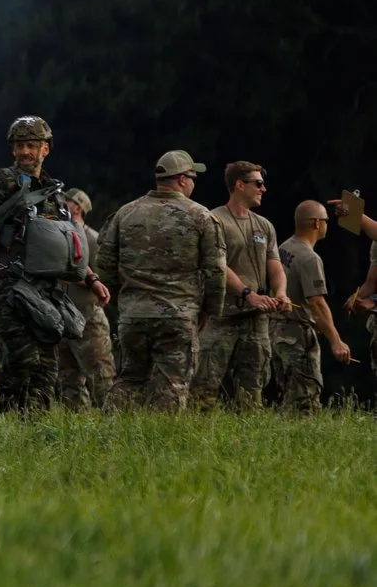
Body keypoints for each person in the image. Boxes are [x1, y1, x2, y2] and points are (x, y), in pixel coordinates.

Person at [0, 116, 89, 411]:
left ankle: (34, 433)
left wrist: (92, 279)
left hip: (45, 291)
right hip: (7, 287)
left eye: (31, 145)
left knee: (47, 369)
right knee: (22, 360)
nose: (24, 151)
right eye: (19, 146)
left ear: (45, 149)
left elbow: (65, 247)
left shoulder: (55, 193)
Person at [96, 150, 225, 411]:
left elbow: (105, 263)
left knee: (129, 378)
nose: (193, 183)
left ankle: (109, 433)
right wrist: (211, 310)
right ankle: (161, 438)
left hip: (134, 314)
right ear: (181, 179)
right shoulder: (201, 216)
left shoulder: (125, 213)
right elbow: (216, 270)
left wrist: (122, 299)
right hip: (178, 314)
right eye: (192, 177)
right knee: (172, 383)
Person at [197, 161, 286, 411]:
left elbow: (275, 264)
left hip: (256, 319)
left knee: (253, 388)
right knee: (204, 385)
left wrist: (280, 293)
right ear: (239, 185)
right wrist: (247, 294)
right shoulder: (214, 220)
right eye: (258, 183)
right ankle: (195, 438)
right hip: (221, 316)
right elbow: (217, 265)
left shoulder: (264, 225)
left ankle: (247, 440)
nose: (263, 189)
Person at [273, 201, 355, 411]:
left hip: (278, 332)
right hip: (298, 335)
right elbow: (317, 303)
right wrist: (336, 341)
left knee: (288, 394)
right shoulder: (310, 258)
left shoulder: (284, 247)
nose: (328, 224)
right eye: (326, 220)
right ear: (317, 224)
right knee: (305, 400)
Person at [52, 188, 114, 409]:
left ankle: (114, 427)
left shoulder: (93, 239)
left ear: (76, 207)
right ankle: (76, 429)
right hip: (61, 317)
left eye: (65, 201)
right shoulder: (57, 235)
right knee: (68, 380)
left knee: (101, 377)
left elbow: (103, 279)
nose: (60, 205)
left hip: (88, 317)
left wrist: (76, 276)